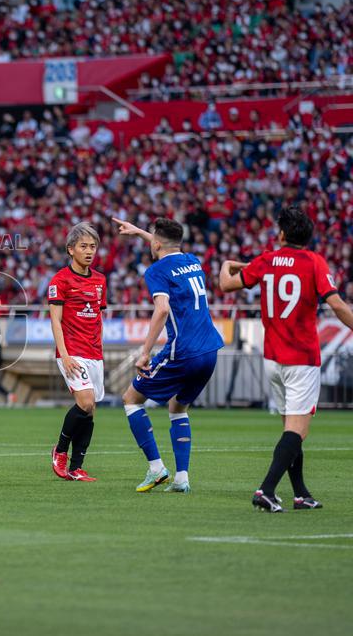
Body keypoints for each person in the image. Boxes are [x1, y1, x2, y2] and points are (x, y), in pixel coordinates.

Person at [220, 206, 353, 512]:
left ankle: (301, 494)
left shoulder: (266, 260)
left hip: (273, 359)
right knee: (298, 430)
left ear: (282, 233)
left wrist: (227, 264)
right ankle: (265, 489)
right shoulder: (313, 262)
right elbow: (337, 304)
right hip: (302, 359)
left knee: (290, 428)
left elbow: (226, 284)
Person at [113, 217, 224, 494]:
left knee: (131, 400)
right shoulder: (193, 260)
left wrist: (145, 352)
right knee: (177, 407)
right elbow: (163, 244)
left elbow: (161, 310)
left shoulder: (156, 271)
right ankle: (181, 478)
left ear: (157, 243)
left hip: (183, 351)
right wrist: (139, 232)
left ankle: (156, 468)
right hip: (210, 349)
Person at [49, 223, 107, 482]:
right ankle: (60, 451)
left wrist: (100, 350)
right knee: (85, 402)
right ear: (70, 249)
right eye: (83, 246)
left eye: (92, 246)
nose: (89, 251)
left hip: (94, 353)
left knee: (90, 409)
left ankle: (76, 467)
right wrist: (64, 354)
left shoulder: (100, 280)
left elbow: (98, 318)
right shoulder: (60, 280)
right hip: (72, 350)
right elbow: (55, 319)